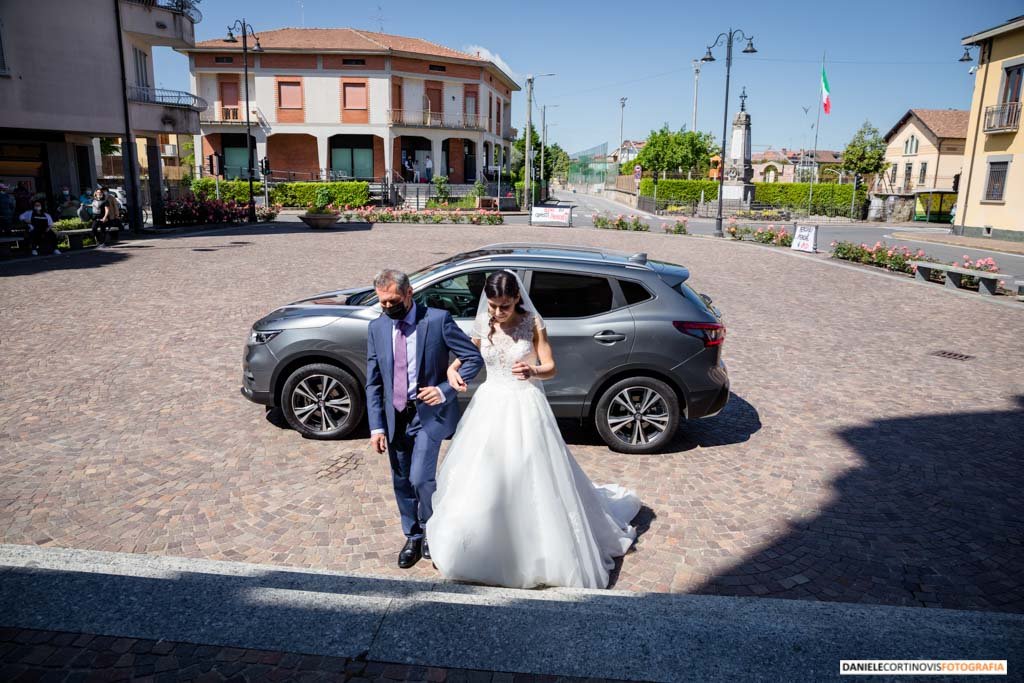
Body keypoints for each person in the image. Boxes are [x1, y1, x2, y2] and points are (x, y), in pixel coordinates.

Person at [429, 270, 640, 589]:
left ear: (517, 298)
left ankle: (538, 550)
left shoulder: (533, 324)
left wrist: (533, 370)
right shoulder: (484, 321)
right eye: (493, 305)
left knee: (530, 473)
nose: (498, 312)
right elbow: (468, 353)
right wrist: (452, 369)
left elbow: (551, 367)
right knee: (482, 475)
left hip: (524, 404)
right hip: (489, 404)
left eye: (504, 306)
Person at [365, 269, 484, 569]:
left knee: (420, 477)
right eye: (383, 303)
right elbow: (374, 382)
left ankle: (432, 529)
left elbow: (472, 358)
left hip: (427, 417)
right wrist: (376, 426)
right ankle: (413, 535)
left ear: (408, 294)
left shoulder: (437, 320)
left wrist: (445, 390)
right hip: (395, 418)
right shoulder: (377, 328)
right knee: (402, 480)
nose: (388, 308)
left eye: (393, 301)